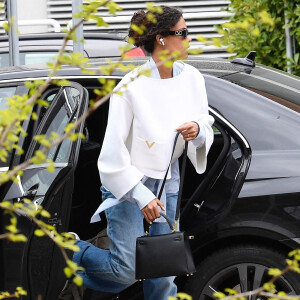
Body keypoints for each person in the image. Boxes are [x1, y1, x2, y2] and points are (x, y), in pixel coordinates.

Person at [72, 6, 214, 300]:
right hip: (127, 184)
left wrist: (198, 130)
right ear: (162, 39)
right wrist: (141, 195)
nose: (189, 39)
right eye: (183, 33)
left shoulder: (193, 79)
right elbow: (110, 155)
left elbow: (205, 123)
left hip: (167, 181)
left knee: (163, 271)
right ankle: (67, 251)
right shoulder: (131, 86)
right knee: (125, 270)